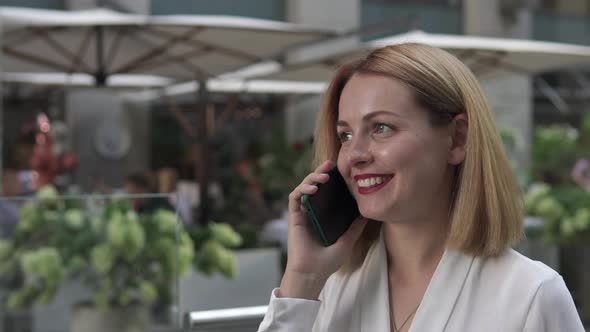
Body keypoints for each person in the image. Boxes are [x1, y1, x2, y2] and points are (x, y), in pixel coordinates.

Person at [258, 43, 584, 331]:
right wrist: (301, 279)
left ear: (457, 138)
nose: (354, 155)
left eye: (381, 127)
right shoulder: (325, 290)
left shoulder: (530, 296)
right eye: (345, 135)